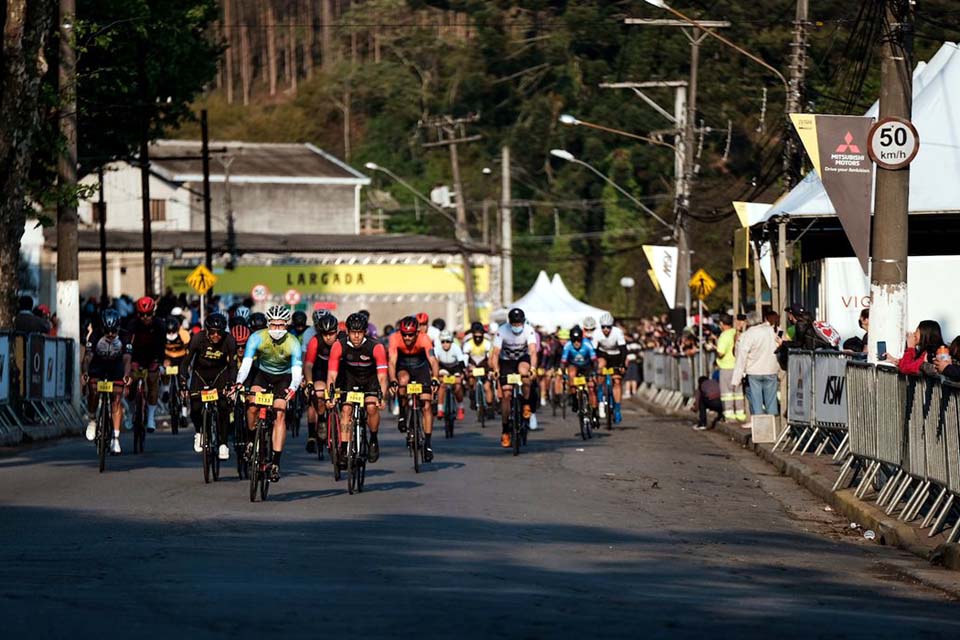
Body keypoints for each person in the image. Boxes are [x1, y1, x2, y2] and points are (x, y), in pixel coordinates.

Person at [234, 305, 303, 482]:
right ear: (268, 324)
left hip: (283, 377)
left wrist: (293, 388)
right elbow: (246, 364)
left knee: (280, 411)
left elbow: (296, 371)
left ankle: (276, 462)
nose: (276, 329)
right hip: (262, 374)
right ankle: (251, 440)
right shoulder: (257, 337)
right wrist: (239, 382)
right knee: (252, 405)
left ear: (286, 325)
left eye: (280, 325)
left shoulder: (293, 342)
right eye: (273, 325)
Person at [326, 313, 389, 463]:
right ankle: (344, 448)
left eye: (359, 332)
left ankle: (373, 438)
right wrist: (330, 395)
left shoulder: (376, 347)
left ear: (365, 332)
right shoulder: (338, 345)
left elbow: (382, 377)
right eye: (353, 332)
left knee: (372, 407)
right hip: (349, 378)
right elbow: (332, 375)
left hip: (370, 378)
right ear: (347, 331)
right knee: (346, 410)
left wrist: (382, 396)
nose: (356, 336)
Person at [180, 313, 237, 460]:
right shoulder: (198, 338)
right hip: (200, 375)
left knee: (224, 407)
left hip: (220, 374)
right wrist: (183, 383)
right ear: (207, 331)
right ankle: (199, 432)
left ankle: (223, 444)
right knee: (196, 407)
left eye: (219, 332)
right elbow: (186, 362)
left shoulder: (229, 340)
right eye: (212, 332)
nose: (216, 335)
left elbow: (232, 365)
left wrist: (231, 384)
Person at [388, 316, 440, 462]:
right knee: (402, 381)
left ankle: (428, 444)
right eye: (405, 334)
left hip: (420, 366)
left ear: (417, 332)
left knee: (427, 404)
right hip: (403, 366)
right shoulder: (394, 338)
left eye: (411, 335)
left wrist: (435, 378)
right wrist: (393, 380)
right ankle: (403, 414)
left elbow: (433, 361)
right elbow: (392, 362)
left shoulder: (424, 338)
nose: (408, 338)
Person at [81, 309, 132, 454]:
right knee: (93, 390)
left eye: (113, 331)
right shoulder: (95, 335)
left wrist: (127, 375)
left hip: (116, 367)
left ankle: (115, 439)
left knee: (116, 400)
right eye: (107, 331)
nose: (110, 335)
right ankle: (92, 419)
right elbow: (87, 358)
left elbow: (127, 359)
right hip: (98, 366)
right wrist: (85, 372)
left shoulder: (125, 336)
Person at [490, 308, 538, 448]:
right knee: (506, 394)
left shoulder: (528, 330)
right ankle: (505, 430)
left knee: (525, 373)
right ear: (509, 322)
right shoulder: (502, 330)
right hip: (506, 361)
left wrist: (533, 368)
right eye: (514, 324)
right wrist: (496, 370)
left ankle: (526, 404)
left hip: (522, 359)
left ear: (523, 322)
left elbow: (533, 351)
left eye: (519, 323)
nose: (517, 326)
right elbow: (495, 353)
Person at [124, 296, 165, 432]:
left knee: (153, 379)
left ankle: (151, 417)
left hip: (152, 356)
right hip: (136, 356)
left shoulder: (159, 324)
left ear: (153, 313)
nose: (145, 318)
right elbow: (127, 345)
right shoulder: (132, 324)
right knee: (132, 380)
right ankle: (130, 413)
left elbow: (161, 347)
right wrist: (128, 364)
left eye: (148, 315)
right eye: (142, 315)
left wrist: (160, 363)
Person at [731, 311, 781, 421]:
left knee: (756, 402)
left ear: (748, 321)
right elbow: (779, 344)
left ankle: (760, 431)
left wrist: (736, 378)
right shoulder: (771, 331)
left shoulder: (748, 334)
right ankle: (773, 428)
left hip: (754, 372)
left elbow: (741, 356)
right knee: (771, 401)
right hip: (771, 370)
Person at [303, 312, 340, 454]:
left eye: (331, 333)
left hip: (339, 371)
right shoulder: (315, 341)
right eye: (325, 334)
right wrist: (309, 382)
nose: (328, 337)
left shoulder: (343, 340)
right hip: (320, 370)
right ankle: (322, 419)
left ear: (337, 331)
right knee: (318, 393)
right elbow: (308, 365)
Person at [593, 312, 626, 424]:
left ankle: (617, 409)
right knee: (600, 368)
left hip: (616, 355)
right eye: (603, 327)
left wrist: (622, 364)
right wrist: (595, 366)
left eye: (608, 327)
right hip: (603, 354)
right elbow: (594, 351)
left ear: (612, 326)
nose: (606, 330)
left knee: (617, 381)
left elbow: (623, 350)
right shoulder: (597, 333)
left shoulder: (618, 332)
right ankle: (601, 393)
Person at [715, 314, 746, 422]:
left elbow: (721, 352)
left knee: (727, 393)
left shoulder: (723, 336)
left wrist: (714, 348)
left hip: (726, 367)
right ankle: (740, 413)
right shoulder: (735, 332)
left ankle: (729, 414)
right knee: (738, 392)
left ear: (721, 324)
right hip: (737, 366)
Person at [561, 326, 597, 415]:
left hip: (587, 366)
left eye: (579, 340)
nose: (576, 343)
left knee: (591, 387)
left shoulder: (587, 344)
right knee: (571, 375)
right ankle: (574, 400)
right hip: (574, 365)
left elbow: (594, 360)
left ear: (582, 339)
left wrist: (594, 372)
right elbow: (563, 362)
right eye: (574, 340)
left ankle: (594, 411)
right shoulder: (568, 345)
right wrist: (564, 375)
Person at [463, 321, 494, 415]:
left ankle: (489, 405)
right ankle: (473, 395)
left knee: (487, 387)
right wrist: (466, 368)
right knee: (471, 381)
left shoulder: (487, 343)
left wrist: (491, 369)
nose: (477, 338)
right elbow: (465, 358)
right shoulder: (468, 343)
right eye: (475, 336)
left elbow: (490, 358)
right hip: (473, 365)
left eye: (480, 336)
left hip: (484, 365)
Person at [435, 329, 467, 421]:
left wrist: (462, 374)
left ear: (451, 341)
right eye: (443, 341)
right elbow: (434, 362)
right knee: (442, 385)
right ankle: (440, 409)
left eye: (447, 341)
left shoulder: (455, 347)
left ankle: (460, 407)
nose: (445, 344)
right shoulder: (437, 348)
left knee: (457, 386)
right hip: (443, 367)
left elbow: (461, 362)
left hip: (455, 367)